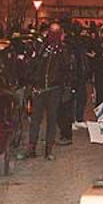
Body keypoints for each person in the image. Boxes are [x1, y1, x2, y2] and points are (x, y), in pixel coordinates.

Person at [27, 21, 72, 160]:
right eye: (52, 31)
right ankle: (32, 147)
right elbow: (32, 65)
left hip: (54, 89)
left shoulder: (63, 50)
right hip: (39, 88)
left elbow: (67, 69)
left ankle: (48, 150)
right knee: (36, 119)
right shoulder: (41, 47)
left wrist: (66, 87)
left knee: (52, 120)